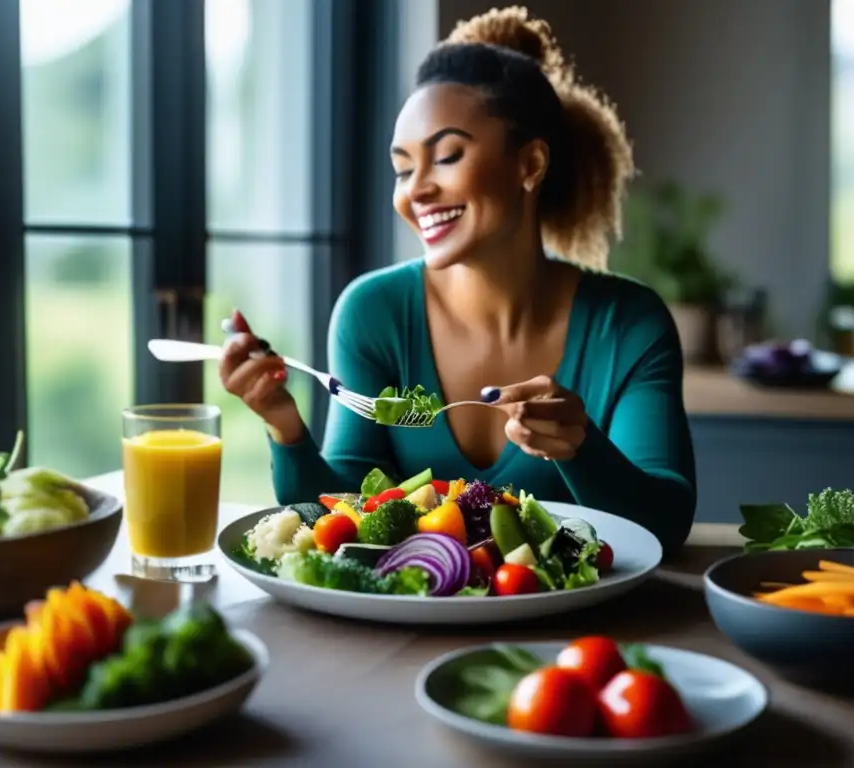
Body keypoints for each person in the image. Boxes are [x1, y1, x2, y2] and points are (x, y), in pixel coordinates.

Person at [220, 6, 697, 554]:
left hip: (582, 630)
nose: (414, 190)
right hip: (405, 629)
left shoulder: (629, 325)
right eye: (403, 169)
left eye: (446, 156)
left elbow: (667, 520)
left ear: (530, 165)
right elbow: (341, 511)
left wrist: (580, 447)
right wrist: (284, 426)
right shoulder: (373, 313)